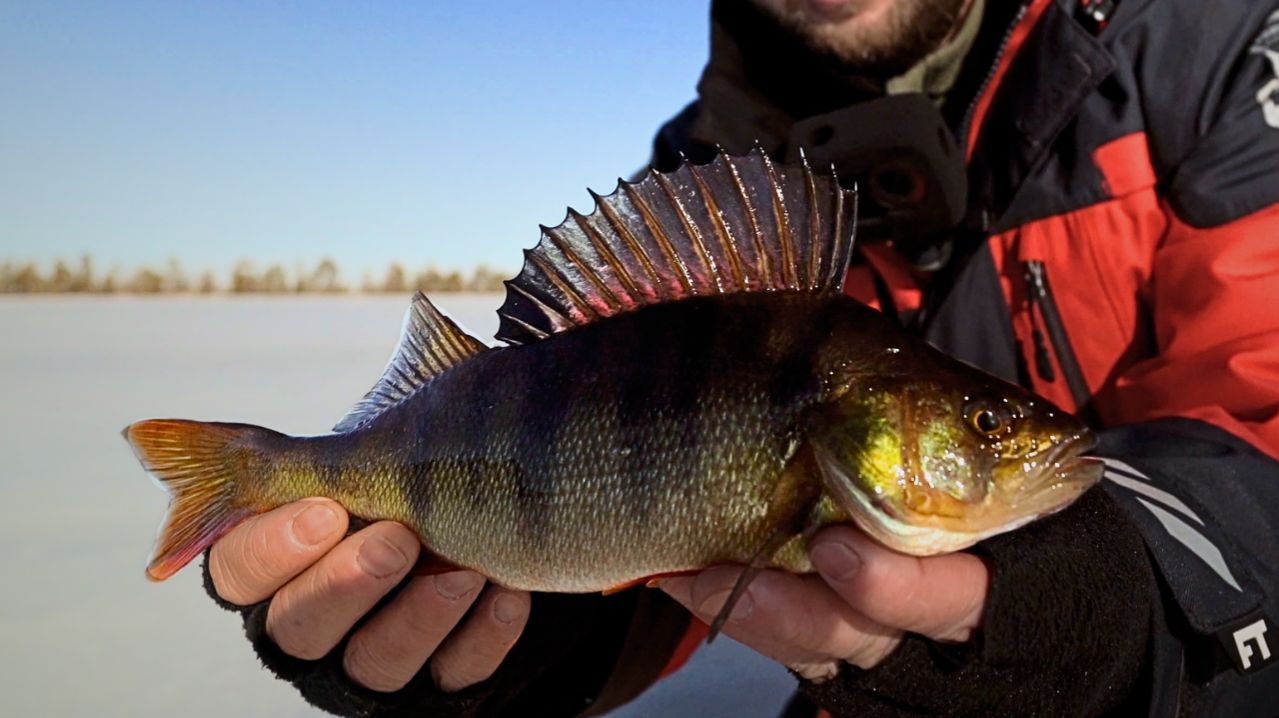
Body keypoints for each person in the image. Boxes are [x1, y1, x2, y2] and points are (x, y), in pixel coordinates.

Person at [200, 0, 1279, 715]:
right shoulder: (701, 183)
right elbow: (650, 540)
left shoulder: (1217, 53)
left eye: (988, 429)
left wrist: (1122, 605)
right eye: (989, 430)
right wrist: (535, 647)